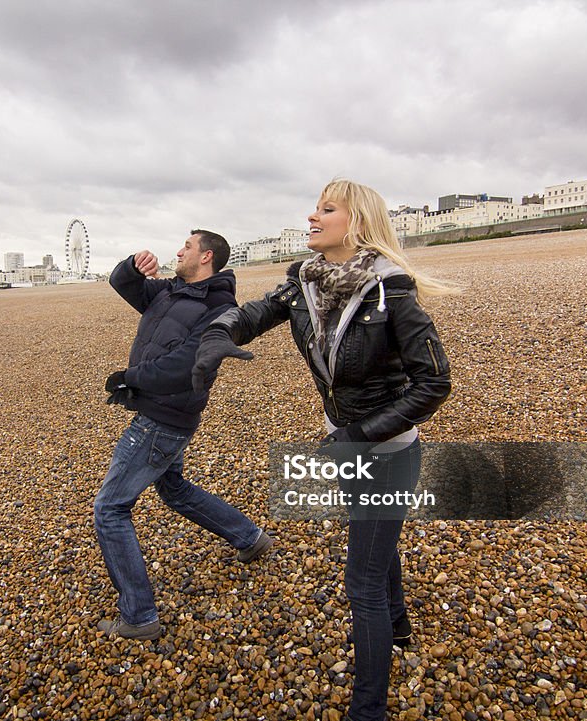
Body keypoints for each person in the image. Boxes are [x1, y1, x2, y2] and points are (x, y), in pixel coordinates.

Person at [192, 180, 456, 720]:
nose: (312, 216)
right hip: (347, 441)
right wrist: (219, 335)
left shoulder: (392, 294)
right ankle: (399, 624)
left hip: (387, 451)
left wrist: (358, 436)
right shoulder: (304, 284)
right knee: (376, 536)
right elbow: (250, 314)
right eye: (316, 206)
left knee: (361, 583)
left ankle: (368, 709)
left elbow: (434, 384)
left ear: (355, 224)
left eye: (326, 209)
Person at [95, 230, 275, 641]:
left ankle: (139, 617)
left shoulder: (218, 307)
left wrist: (130, 379)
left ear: (206, 256)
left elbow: (185, 363)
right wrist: (132, 264)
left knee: (110, 509)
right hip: (164, 416)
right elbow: (122, 283)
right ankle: (249, 537)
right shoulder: (169, 291)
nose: (178, 251)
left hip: (163, 418)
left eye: (187, 247)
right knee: (173, 489)